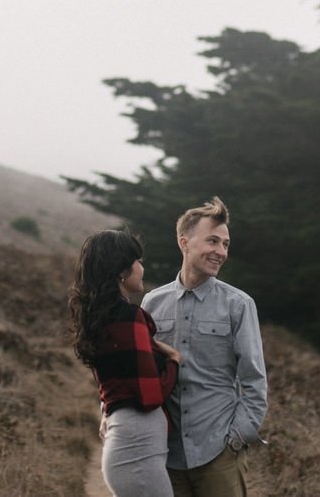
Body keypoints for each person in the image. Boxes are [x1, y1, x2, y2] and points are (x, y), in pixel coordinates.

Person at [141, 196, 267, 497]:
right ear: (185, 243)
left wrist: (238, 438)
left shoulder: (239, 305)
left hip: (219, 454)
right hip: (166, 456)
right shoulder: (151, 303)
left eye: (225, 244)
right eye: (213, 241)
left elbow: (254, 380)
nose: (220, 252)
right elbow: (139, 372)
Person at [71, 229, 181, 497]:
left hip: (130, 449)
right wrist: (175, 362)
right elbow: (149, 395)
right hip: (136, 453)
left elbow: (120, 382)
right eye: (138, 262)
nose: (142, 268)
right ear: (122, 270)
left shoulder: (102, 318)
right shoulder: (128, 318)